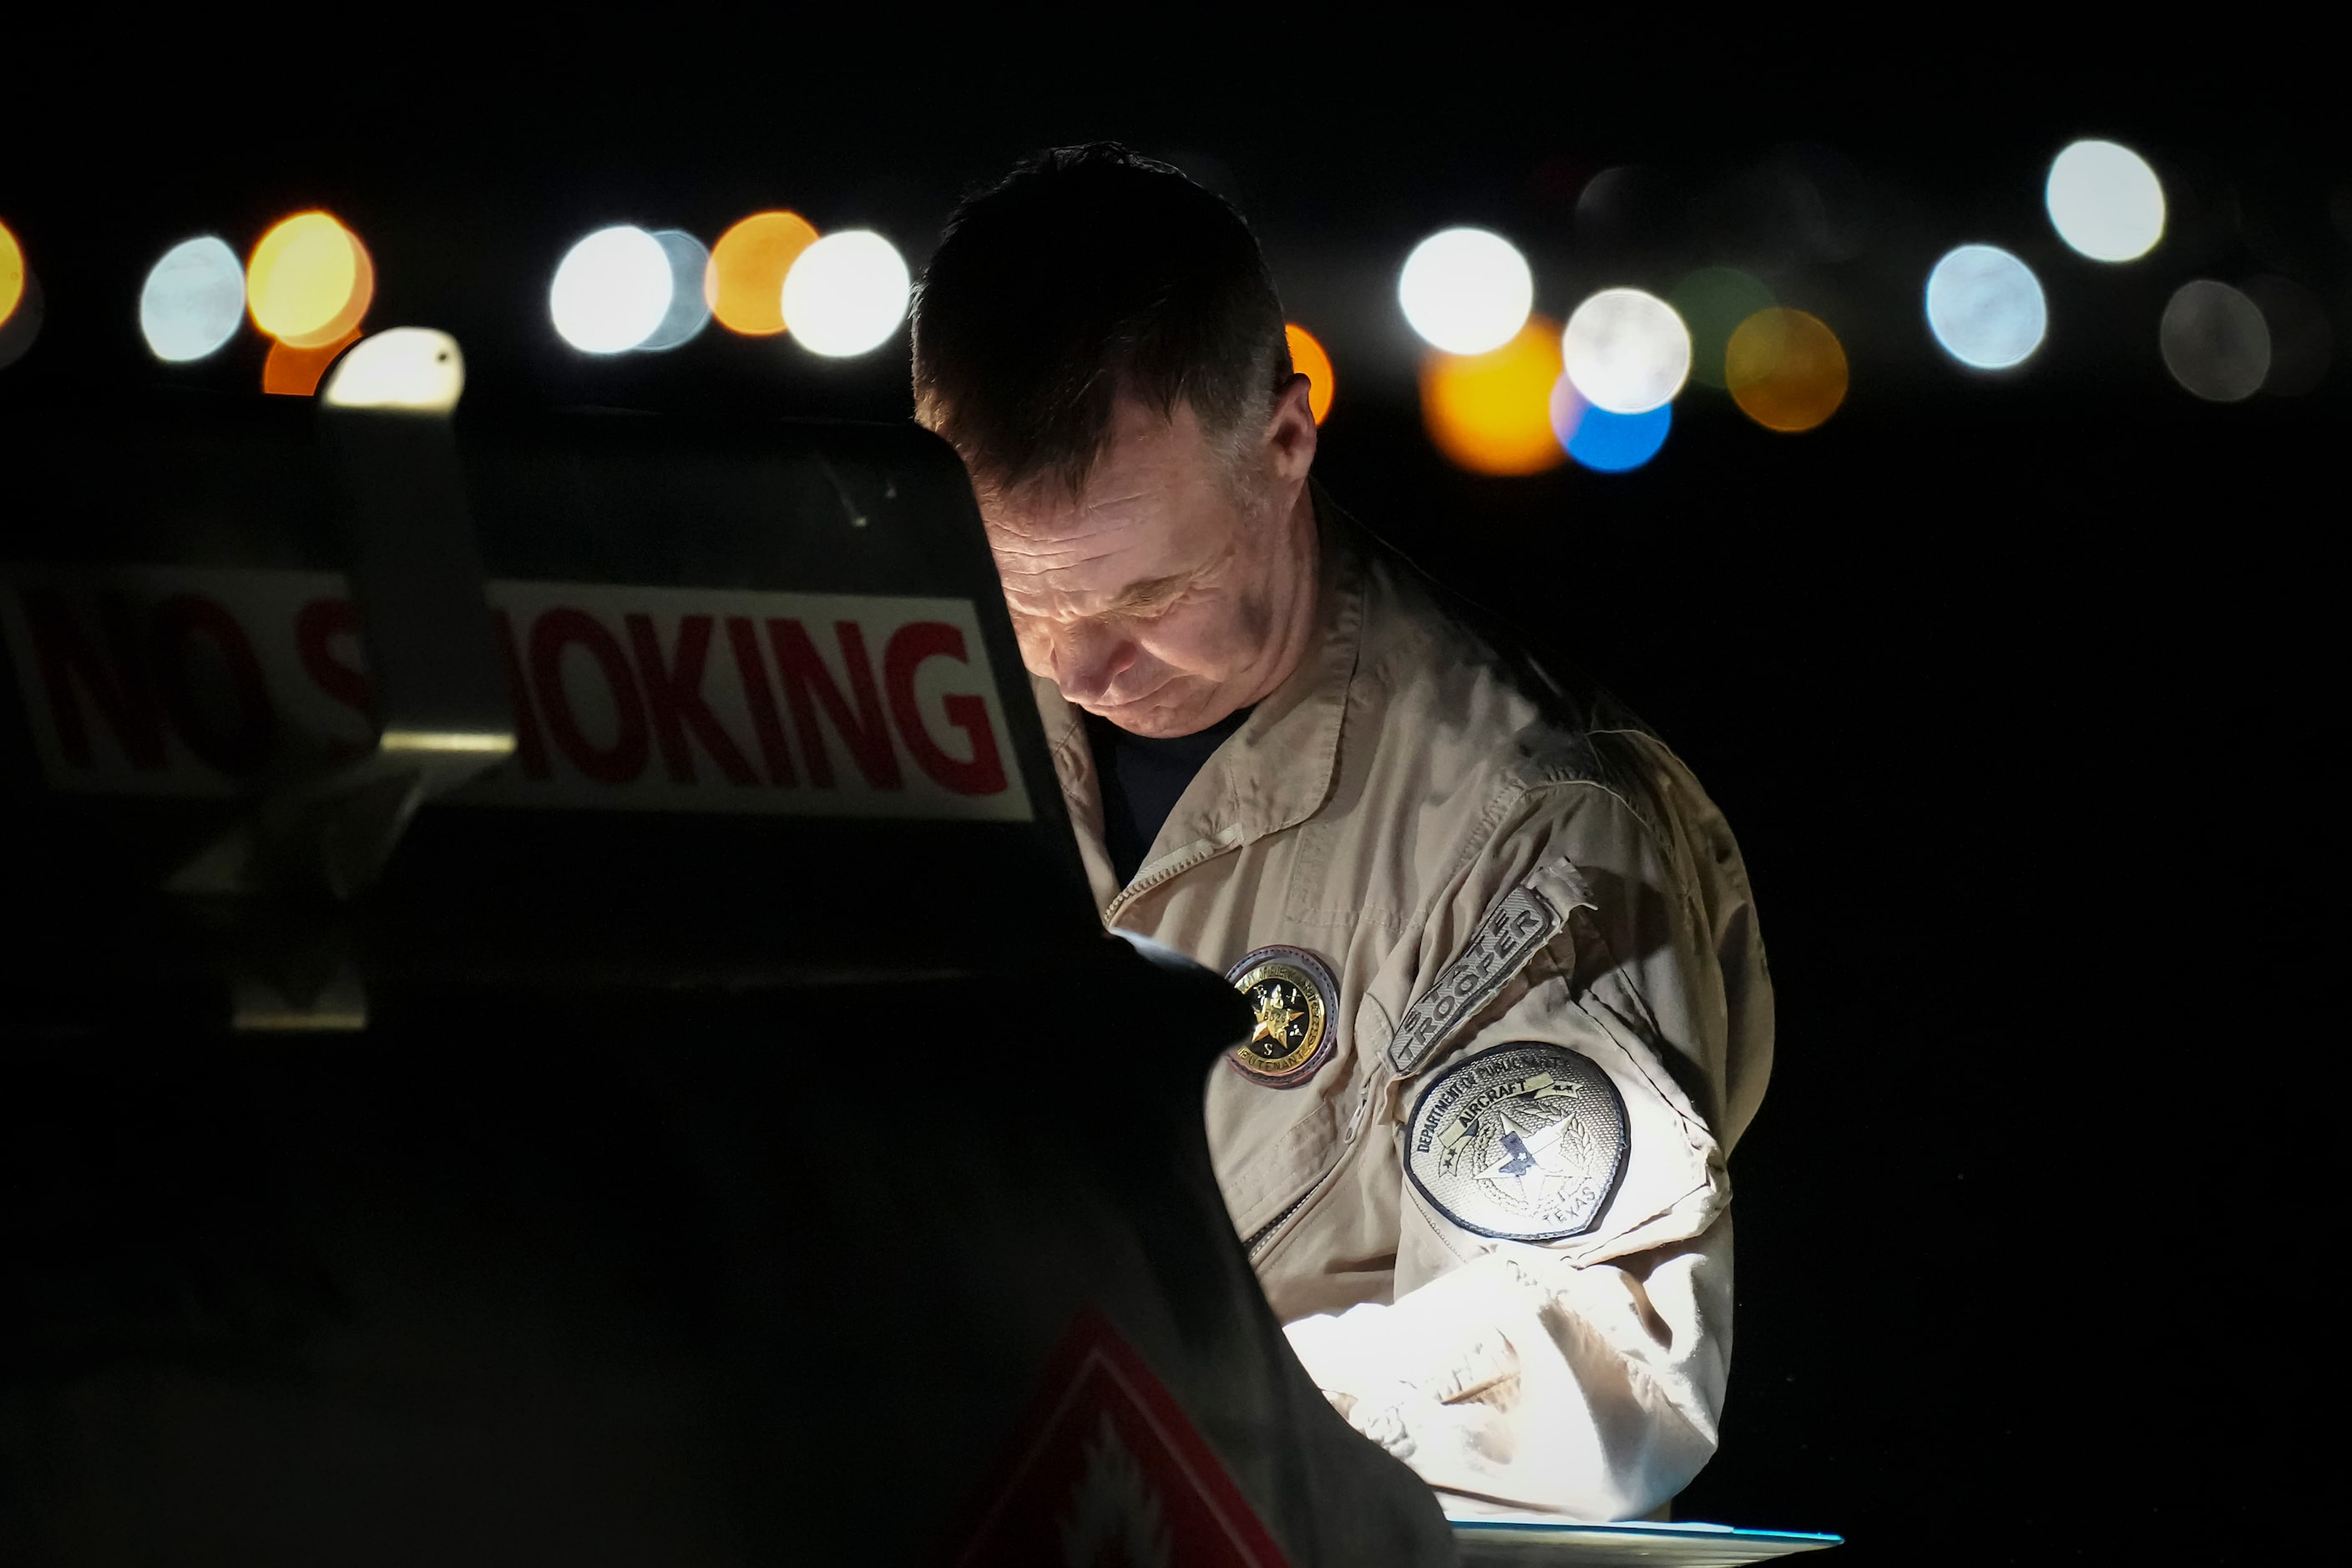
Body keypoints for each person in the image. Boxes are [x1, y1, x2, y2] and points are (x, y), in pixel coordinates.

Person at [912, 144, 1772, 1522]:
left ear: (1284, 448)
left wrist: (1155, 1402)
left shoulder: (1529, 823)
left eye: (1153, 589)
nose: (1080, 665)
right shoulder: (903, 710)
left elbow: (1601, 1381)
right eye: (1020, 593)